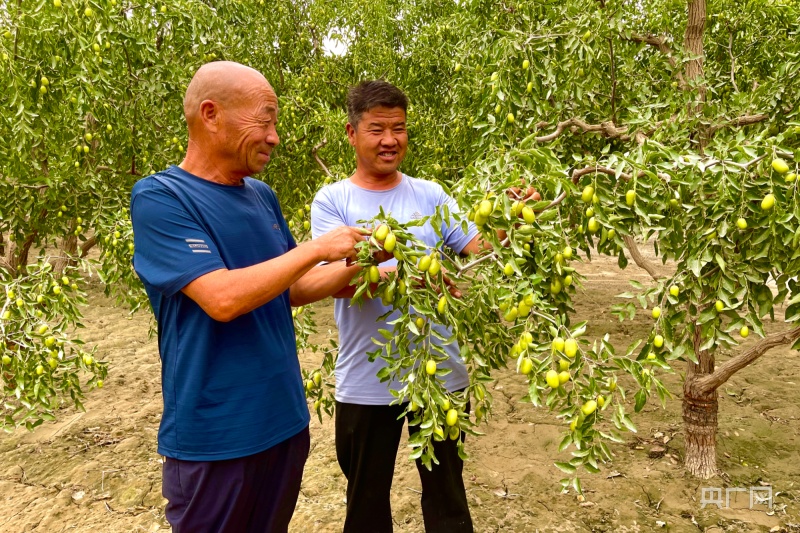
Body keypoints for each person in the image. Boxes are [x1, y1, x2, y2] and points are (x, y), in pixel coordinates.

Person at [130, 61, 368, 533]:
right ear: (211, 114)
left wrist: (366, 265)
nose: (274, 136)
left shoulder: (261, 196)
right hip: (217, 437)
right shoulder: (161, 197)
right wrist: (319, 248)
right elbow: (221, 298)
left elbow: (292, 288)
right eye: (264, 121)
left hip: (283, 425)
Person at [311, 81, 491, 533]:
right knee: (366, 504)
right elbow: (334, 280)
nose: (390, 140)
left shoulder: (430, 194)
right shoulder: (333, 201)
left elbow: (478, 247)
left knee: (448, 499)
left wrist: (507, 215)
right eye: (377, 129)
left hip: (439, 376)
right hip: (367, 383)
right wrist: (405, 273)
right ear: (351, 134)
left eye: (400, 129)